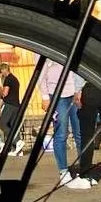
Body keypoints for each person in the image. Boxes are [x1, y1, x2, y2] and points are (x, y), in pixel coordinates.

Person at [37, 60, 91, 189]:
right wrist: (45, 96)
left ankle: (84, 170)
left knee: (81, 134)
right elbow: (41, 72)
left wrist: (81, 87)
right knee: (61, 134)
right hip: (56, 93)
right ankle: (63, 171)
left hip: (76, 91)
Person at [0, 64, 25, 156]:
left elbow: (5, 94)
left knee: (2, 124)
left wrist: (0, 89)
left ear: (5, 69)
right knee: (13, 126)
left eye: (1, 71)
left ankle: (17, 141)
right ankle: (18, 150)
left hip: (10, 105)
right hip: (16, 105)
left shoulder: (8, 79)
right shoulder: (15, 79)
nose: (1, 74)